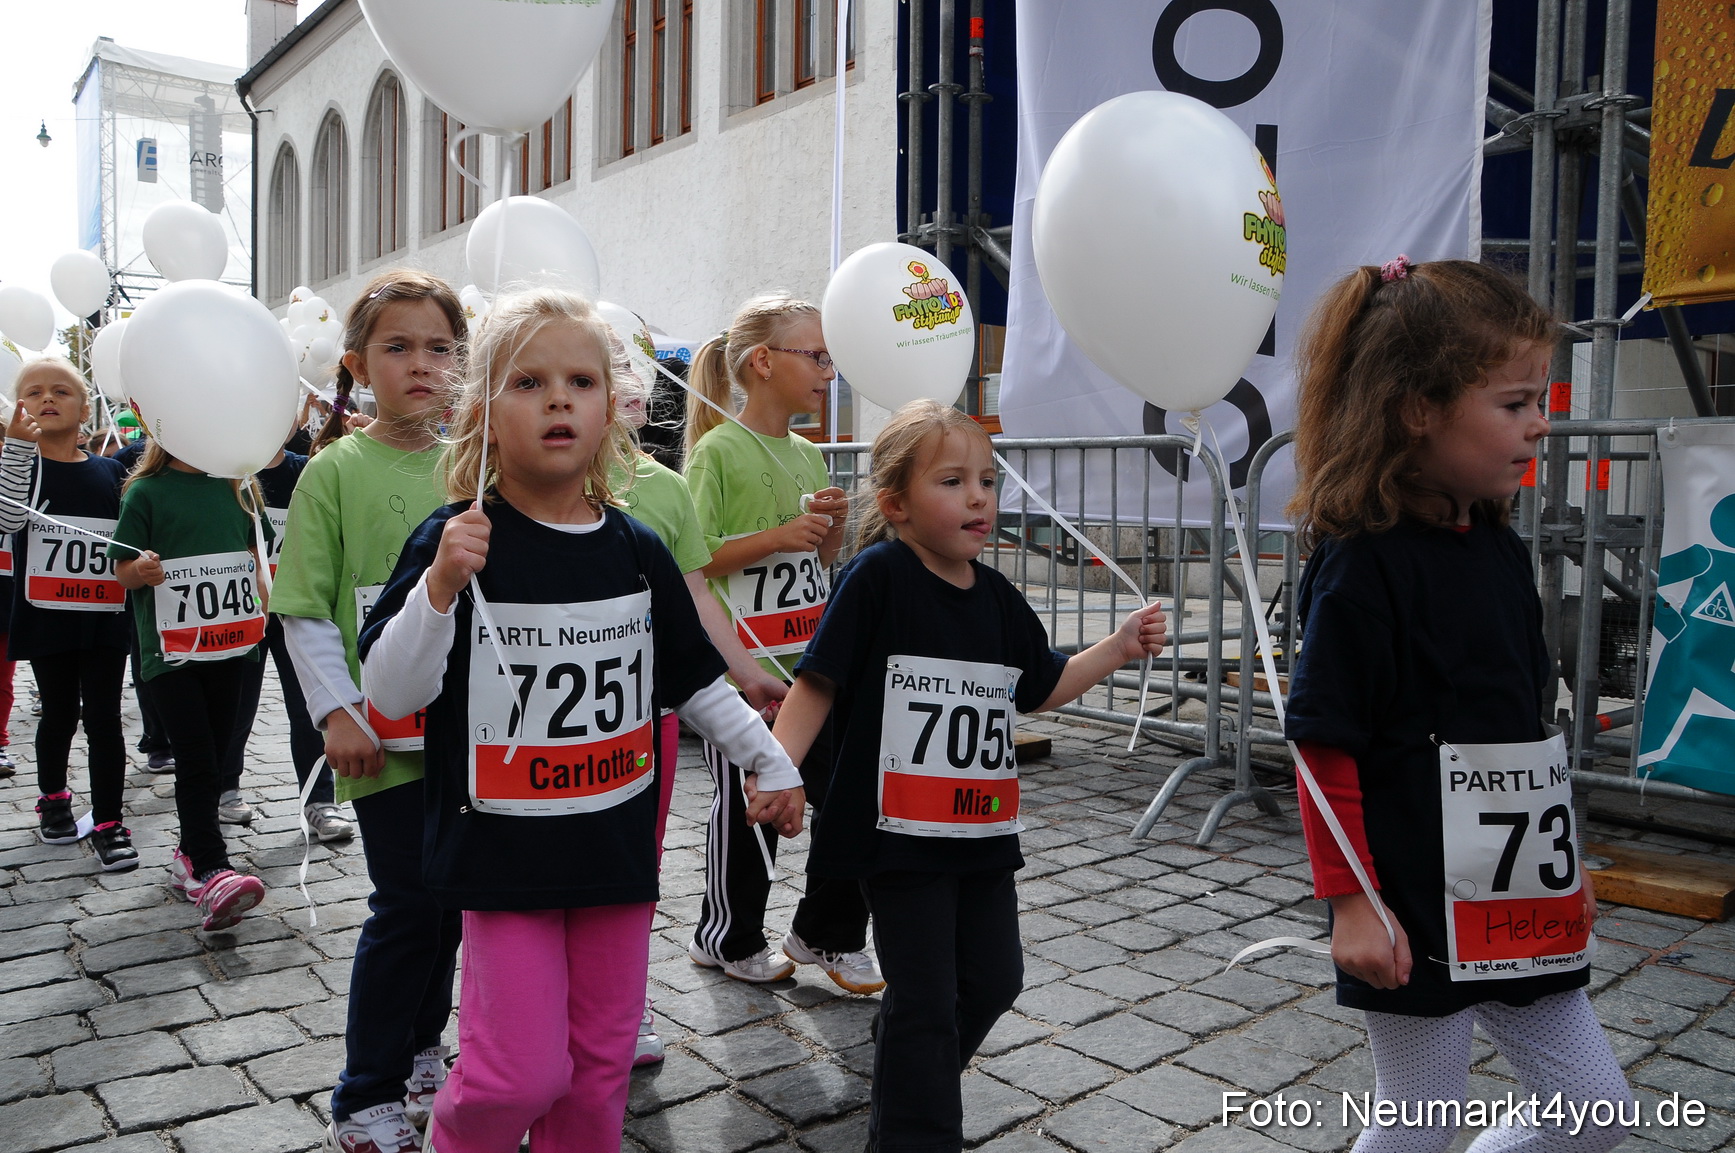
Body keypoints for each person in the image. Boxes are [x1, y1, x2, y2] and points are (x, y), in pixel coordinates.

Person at [358, 289, 805, 1152]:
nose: (558, 398)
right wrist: (438, 590)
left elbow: (692, 679)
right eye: (528, 381)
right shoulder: (455, 537)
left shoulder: (636, 549)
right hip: (501, 860)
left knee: (598, 1063)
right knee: (515, 1072)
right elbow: (393, 687)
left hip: (613, 854)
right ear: (481, 413)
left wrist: (769, 759)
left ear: (611, 408)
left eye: (580, 381)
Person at [1283, 256, 1633, 1153]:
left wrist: (1565, 863)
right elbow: (1321, 748)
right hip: (1407, 895)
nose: (1539, 424)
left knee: (1592, 1107)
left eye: (1538, 399)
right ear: (1417, 409)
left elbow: (1528, 733)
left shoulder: (1499, 547)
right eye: (1512, 403)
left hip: (1517, 893)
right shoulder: (1362, 565)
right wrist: (1352, 903)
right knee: (1419, 1113)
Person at [771, 400, 1167, 1151]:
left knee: (992, 979)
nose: (979, 496)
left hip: (979, 828)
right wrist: (777, 768)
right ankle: (916, 1133)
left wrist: (1115, 647)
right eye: (952, 481)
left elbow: (1039, 685)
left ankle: (908, 1085)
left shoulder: (996, 596)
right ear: (894, 504)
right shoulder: (876, 576)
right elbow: (817, 680)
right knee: (923, 998)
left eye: (987, 479)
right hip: (895, 833)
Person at [271, 268, 466, 1153]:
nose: (421, 364)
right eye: (398, 347)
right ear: (357, 363)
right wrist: (337, 712)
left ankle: (424, 1046)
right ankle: (366, 1090)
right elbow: (308, 605)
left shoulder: (482, 461)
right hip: (385, 739)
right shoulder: (333, 472)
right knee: (406, 905)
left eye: (440, 347)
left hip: (477, 737)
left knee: (453, 903)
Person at [682, 293, 878, 991]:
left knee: (848, 794)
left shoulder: (805, 452)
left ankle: (823, 930)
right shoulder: (717, 451)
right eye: (816, 355)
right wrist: (776, 537)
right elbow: (693, 559)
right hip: (741, 672)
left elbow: (814, 565)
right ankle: (727, 936)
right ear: (762, 363)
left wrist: (825, 531)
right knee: (752, 807)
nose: (829, 372)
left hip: (809, 667)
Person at [607, 334, 789, 1066]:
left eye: (625, 369)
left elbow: (693, 596)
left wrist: (745, 672)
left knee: (633, 871)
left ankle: (624, 1006)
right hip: (530, 749)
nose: (618, 385)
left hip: (643, 728)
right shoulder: (506, 488)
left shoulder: (662, 487)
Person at [108, 442, 271, 930]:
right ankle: (208, 865)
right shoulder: (145, 493)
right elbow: (121, 571)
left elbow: (258, 553)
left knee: (219, 758)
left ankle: (188, 856)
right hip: (172, 655)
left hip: (235, 647)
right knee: (196, 758)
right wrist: (142, 570)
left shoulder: (239, 488)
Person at [0, 359, 132, 867]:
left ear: (85, 406)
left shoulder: (112, 470)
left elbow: (131, 528)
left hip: (103, 615)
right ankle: (54, 798)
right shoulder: (20, 468)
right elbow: (9, 517)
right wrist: (15, 448)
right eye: (32, 393)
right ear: (19, 408)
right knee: (57, 712)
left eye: (62, 391)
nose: (46, 399)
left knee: (104, 718)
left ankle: (108, 820)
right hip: (45, 613)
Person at [217, 440, 351, 841]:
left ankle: (319, 800)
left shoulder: (308, 469)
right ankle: (224, 788)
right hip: (243, 611)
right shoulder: (225, 469)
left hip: (298, 609)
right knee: (237, 708)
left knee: (309, 708)